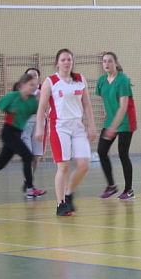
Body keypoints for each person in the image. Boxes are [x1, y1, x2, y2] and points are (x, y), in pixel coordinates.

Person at [35, 49, 96, 216]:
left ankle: (69, 194)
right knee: (64, 166)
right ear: (57, 63)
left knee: (84, 165)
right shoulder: (51, 81)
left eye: (69, 59)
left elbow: (87, 104)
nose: (66, 62)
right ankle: (60, 204)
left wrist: (92, 126)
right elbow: (42, 106)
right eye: (63, 60)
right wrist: (39, 128)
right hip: (59, 126)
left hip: (78, 126)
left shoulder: (80, 79)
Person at [0, 72, 47, 198]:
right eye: (31, 85)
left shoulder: (33, 101)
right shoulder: (13, 97)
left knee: (0, 164)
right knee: (28, 156)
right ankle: (30, 188)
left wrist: (42, 101)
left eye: (36, 85)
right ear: (23, 85)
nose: (34, 87)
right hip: (8, 132)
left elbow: (42, 112)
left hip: (17, 133)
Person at [95, 52, 137, 200]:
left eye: (110, 61)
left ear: (116, 63)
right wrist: (106, 112)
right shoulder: (101, 80)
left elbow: (123, 106)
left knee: (122, 153)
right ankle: (111, 186)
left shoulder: (123, 80)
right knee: (101, 151)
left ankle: (128, 190)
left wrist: (113, 126)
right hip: (111, 119)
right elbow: (104, 98)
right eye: (104, 61)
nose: (107, 64)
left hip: (125, 120)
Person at [20, 67, 44, 185]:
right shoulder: (22, 90)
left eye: (35, 74)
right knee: (27, 154)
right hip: (26, 123)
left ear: (38, 78)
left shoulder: (44, 89)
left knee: (36, 156)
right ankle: (28, 180)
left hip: (39, 124)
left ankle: (30, 177)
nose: (33, 76)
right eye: (30, 75)